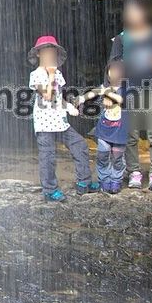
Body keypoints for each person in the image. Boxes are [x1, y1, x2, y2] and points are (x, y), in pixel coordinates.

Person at [109, 0, 152, 191]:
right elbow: (112, 67)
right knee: (130, 135)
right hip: (129, 91)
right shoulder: (120, 38)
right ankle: (134, 172)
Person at [28, 35, 94, 201]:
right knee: (48, 157)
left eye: (53, 52)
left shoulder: (57, 73)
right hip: (44, 124)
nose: (50, 55)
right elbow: (48, 96)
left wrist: (68, 106)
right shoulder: (36, 75)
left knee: (80, 145)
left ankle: (84, 182)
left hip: (60, 121)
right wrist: (50, 74)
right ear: (38, 54)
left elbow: (57, 97)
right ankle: (50, 190)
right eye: (46, 52)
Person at [77, 59, 128, 194]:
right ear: (107, 73)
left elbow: (121, 100)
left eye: (118, 70)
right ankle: (104, 179)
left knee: (117, 158)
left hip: (120, 131)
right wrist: (81, 98)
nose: (115, 73)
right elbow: (93, 92)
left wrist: (108, 94)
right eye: (112, 70)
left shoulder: (127, 90)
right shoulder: (104, 87)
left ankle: (116, 180)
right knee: (102, 156)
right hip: (104, 130)